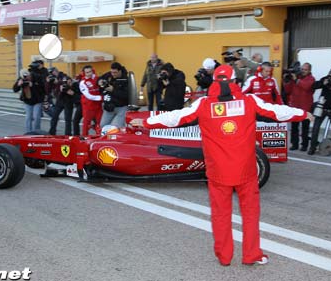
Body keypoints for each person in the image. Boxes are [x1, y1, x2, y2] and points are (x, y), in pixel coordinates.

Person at [131, 65, 312, 266]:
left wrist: (147, 121)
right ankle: (251, 254)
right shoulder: (249, 101)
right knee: (250, 214)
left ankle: (224, 257)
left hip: (218, 172)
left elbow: (175, 117)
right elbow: (277, 111)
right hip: (246, 170)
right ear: (235, 81)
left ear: (214, 81)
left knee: (220, 214)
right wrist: (303, 114)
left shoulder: (203, 104)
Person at [283, 62, 315, 151]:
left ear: (309, 70)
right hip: (295, 106)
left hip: (306, 107)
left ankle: (304, 145)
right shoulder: (297, 78)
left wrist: (296, 79)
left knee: (305, 128)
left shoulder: (311, 79)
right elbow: (287, 90)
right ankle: (294, 144)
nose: (303, 71)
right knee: (294, 127)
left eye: (305, 69)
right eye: (302, 69)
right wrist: (287, 81)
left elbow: (306, 86)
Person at [13, 66, 46, 133]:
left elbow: (43, 89)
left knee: (36, 117)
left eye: (27, 76)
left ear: (29, 74)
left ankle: (37, 131)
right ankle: (28, 132)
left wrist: (33, 85)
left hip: (37, 100)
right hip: (28, 101)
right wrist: (18, 85)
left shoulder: (36, 77)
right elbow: (15, 89)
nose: (26, 78)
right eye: (24, 77)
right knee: (28, 118)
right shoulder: (21, 78)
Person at [99, 62, 129, 128]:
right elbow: (99, 79)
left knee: (114, 127)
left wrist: (113, 90)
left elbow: (126, 95)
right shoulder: (109, 75)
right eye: (112, 72)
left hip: (121, 108)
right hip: (109, 107)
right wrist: (100, 81)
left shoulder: (126, 80)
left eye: (115, 72)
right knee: (102, 126)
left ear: (120, 71)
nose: (113, 74)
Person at [79, 65, 102, 135]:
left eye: (90, 71)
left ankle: (99, 136)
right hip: (88, 105)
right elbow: (88, 96)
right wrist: (101, 98)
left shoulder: (97, 78)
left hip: (98, 105)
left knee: (100, 122)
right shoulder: (82, 83)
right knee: (86, 123)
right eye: (87, 72)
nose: (89, 74)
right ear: (84, 73)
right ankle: (84, 138)